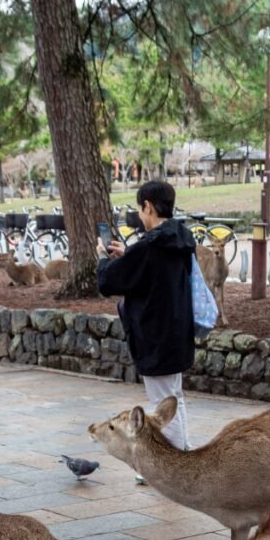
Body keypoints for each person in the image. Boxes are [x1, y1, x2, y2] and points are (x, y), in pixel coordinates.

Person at [97, 180, 197, 454]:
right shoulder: (180, 239)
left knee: (162, 401)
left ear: (148, 206)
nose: (140, 215)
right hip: (177, 332)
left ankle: (172, 462)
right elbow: (154, 273)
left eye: (140, 209)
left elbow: (108, 282)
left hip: (155, 336)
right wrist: (127, 255)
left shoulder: (151, 246)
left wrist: (102, 259)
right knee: (174, 397)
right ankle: (182, 450)